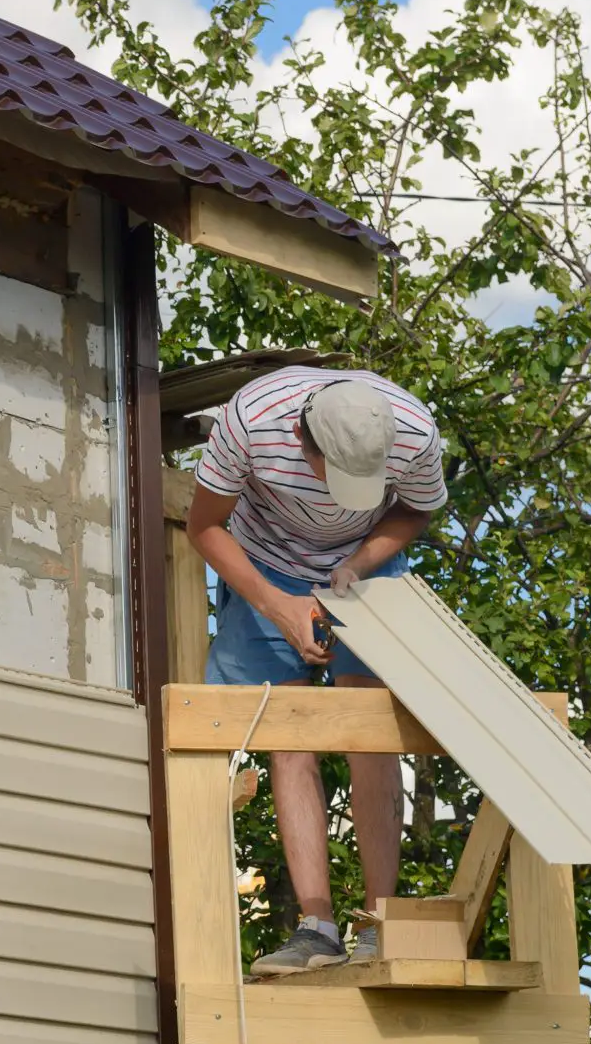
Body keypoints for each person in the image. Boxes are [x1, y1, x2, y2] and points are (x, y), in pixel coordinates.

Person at [185, 364, 447, 974]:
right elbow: (204, 526)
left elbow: (415, 513)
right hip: (262, 563)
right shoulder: (251, 421)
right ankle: (317, 927)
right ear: (305, 443)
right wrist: (277, 606)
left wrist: (356, 565)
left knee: (371, 731)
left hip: (363, 569)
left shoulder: (412, 431)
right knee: (288, 733)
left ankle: (380, 922)